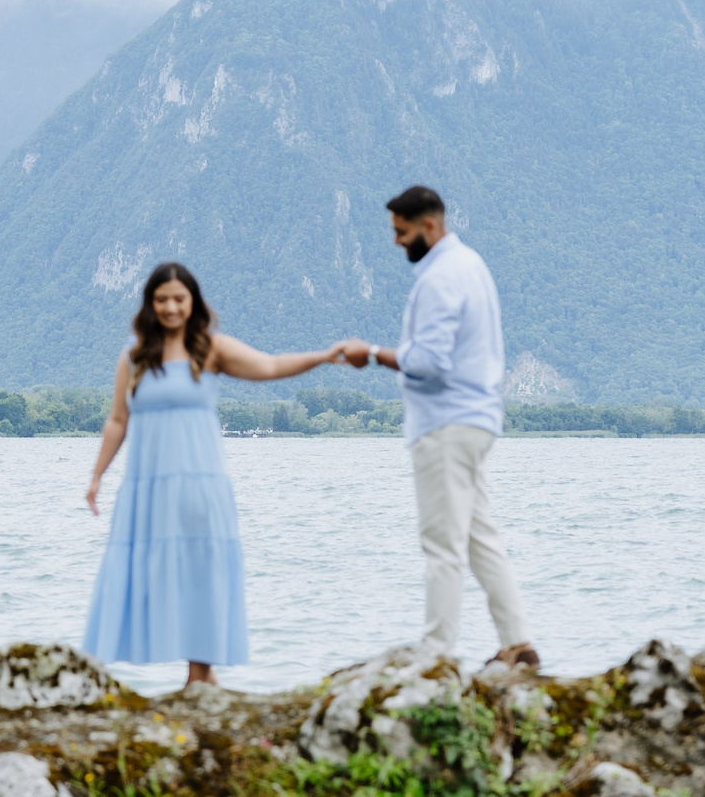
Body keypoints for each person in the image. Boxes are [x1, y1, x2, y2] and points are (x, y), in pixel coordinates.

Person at [83, 261, 354, 688]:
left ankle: (200, 676)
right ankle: (152, 674)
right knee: (147, 568)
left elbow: (269, 367)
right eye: (161, 300)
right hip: (147, 489)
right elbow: (118, 421)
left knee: (200, 568)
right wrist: (97, 476)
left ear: (193, 303)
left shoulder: (210, 349)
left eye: (178, 299)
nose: (171, 307)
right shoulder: (135, 357)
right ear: (150, 305)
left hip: (199, 483)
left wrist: (324, 356)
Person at [343, 185, 538, 668]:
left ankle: (435, 653)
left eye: (401, 231)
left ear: (428, 226)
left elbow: (428, 361)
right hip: (477, 419)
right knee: (478, 536)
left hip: (445, 423)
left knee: (441, 542)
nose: (396, 242)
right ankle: (518, 644)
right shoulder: (472, 265)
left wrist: (371, 354)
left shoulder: (439, 279)